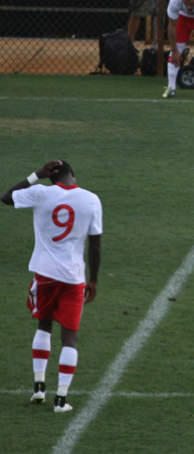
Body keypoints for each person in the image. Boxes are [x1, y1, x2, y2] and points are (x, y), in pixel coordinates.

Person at [1, 160, 103, 414]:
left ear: (50, 177)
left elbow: (6, 197)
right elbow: (95, 245)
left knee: (43, 324)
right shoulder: (91, 199)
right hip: (73, 278)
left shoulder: (41, 193)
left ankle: (38, 388)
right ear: (73, 174)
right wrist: (93, 279)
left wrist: (35, 175)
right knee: (70, 337)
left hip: (44, 275)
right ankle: (60, 399)